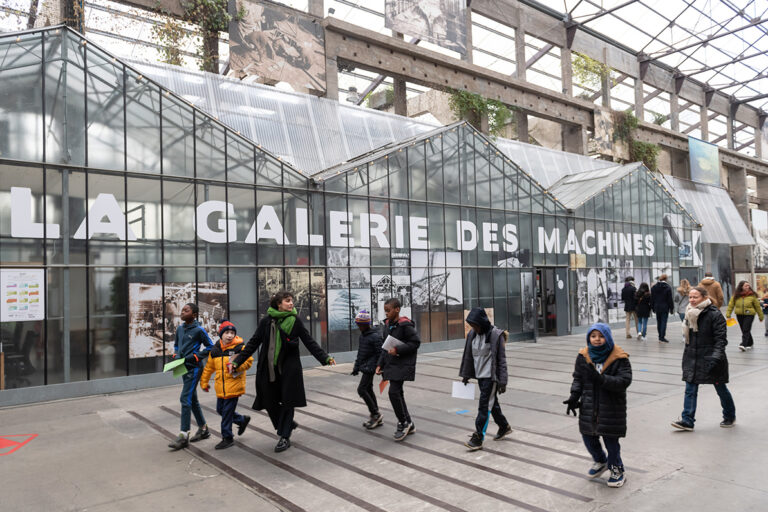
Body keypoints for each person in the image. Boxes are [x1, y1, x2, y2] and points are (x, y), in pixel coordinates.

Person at [229, 291, 336, 453]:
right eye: (287, 301)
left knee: (288, 402)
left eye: (292, 301)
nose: (291, 303)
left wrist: (325, 358)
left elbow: (309, 341)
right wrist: (237, 361)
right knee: (268, 400)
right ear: (278, 304)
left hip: (289, 369)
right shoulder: (266, 322)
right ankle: (287, 425)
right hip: (269, 369)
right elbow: (253, 343)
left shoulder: (295, 321)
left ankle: (284, 436)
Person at [563, 323, 632, 488]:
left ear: (607, 337)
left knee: (611, 442)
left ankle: (617, 469)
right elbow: (578, 378)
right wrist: (574, 396)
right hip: (589, 406)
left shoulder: (619, 357)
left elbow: (624, 381)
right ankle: (601, 460)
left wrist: (602, 379)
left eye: (601, 336)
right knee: (588, 436)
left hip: (611, 407)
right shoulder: (583, 356)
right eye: (593, 336)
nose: (597, 340)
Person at [672, 286, 736, 431]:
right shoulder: (689, 313)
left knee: (721, 388)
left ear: (704, 297)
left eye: (696, 297)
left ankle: (729, 415)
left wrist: (716, 357)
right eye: (690, 297)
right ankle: (687, 420)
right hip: (692, 357)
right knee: (690, 389)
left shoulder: (714, 314)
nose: (692, 300)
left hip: (711, 358)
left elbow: (721, 339)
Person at [459, 307, 512, 451]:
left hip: (491, 377)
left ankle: (478, 437)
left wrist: (502, 381)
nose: (474, 328)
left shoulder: (496, 335)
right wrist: (466, 375)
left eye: (475, 325)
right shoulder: (472, 335)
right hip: (480, 376)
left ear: (482, 323)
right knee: (491, 403)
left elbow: (501, 361)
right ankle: (504, 426)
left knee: (484, 406)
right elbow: (468, 356)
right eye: (472, 326)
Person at [199, 320, 254, 450]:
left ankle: (227, 437)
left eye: (232, 333)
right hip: (220, 387)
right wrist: (204, 382)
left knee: (227, 413)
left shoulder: (239, 347)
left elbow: (249, 362)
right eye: (227, 333)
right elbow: (208, 368)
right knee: (220, 410)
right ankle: (241, 420)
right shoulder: (215, 349)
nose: (229, 335)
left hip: (234, 385)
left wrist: (237, 367)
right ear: (221, 334)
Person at [168, 303, 214, 450]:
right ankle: (204, 429)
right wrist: (176, 355)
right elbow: (176, 345)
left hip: (194, 368)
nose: (182, 312)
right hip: (182, 366)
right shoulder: (180, 328)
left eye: (186, 310)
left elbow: (210, 347)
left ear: (194, 314)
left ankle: (183, 435)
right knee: (192, 398)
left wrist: (196, 357)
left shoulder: (199, 330)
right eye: (182, 310)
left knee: (185, 398)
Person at [376, 298, 421, 441]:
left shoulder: (405, 325)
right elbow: (385, 346)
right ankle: (409, 423)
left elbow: (415, 343)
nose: (386, 313)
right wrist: (379, 364)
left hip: (402, 364)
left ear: (397, 309)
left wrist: (398, 350)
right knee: (398, 393)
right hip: (391, 364)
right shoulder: (387, 324)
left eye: (388, 310)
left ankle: (403, 422)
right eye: (385, 311)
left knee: (394, 392)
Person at [351, 309, 384, 430]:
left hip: (371, 367)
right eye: (358, 324)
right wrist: (356, 367)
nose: (358, 326)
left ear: (366, 324)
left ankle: (376, 414)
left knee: (362, 389)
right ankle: (375, 415)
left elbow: (381, 353)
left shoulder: (375, 337)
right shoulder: (363, 336)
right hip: (365, 366)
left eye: (360, 324)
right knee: (368, 389)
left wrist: (380, 367)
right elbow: (361, 353)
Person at [725, 281, 764, 351]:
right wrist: (728, 314)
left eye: (748, 286)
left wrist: (761, 316)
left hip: (750, 314)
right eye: (746, 286)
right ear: (741, 287)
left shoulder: (752, 295)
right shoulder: (736, 295)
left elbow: (757, 307)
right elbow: (731, 305)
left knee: (746, 328)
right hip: (739, 314)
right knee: (744, 329)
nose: (747, 287)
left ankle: (743, 344)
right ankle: (750, 342)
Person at [651, 274, 674, 343]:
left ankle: (659, 336)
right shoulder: (667, 287)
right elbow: (670, 299)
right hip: (665, 307)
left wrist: (652, 307)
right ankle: (662, 337)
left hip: (657, 306)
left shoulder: (654, 287)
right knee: (664, 322)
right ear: (666, 279)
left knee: (659, 321)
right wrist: (671, 308)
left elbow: (652, 298)